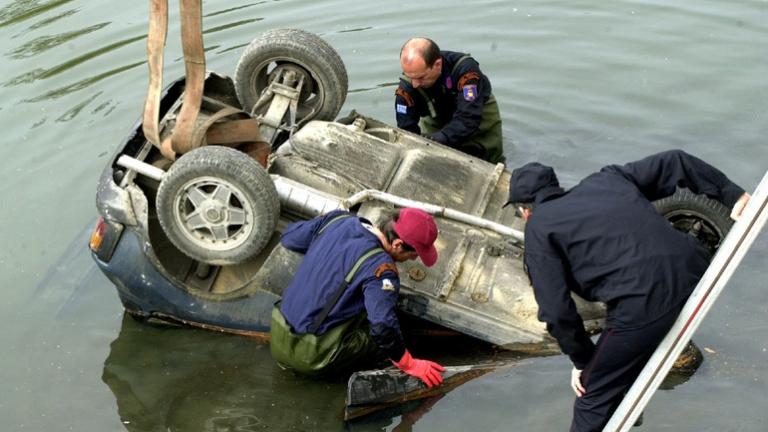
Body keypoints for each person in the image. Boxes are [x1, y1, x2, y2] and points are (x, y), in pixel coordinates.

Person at [505, 150, 751, 431]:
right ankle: (628, 411)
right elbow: (674, 161)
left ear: (525, 210)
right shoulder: (607, 179)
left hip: (645, 304)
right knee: (618, 359)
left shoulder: (539, 227)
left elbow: (556, 311)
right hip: (695, 267)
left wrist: (584, 362)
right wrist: (732, 194)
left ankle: (617, 406)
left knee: (591, 396)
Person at [269, 207, 445, 388]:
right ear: (397, 244)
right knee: (392, 329)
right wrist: (410, 363)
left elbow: (290, 237)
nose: (413, 260)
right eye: (413, 254)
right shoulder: (382, 269)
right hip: (312, 356)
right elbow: (382, 325)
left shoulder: (337, 219)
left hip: (277, 334)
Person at [395, 37, 504, 164]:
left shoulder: (466, 71)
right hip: (437, 117)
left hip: (478, 115)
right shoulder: (406, 89)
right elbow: (406, 129)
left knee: (491, 160)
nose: (415, 84)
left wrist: (439, 139)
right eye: (409, 76)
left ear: (437, 64)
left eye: (420, 77)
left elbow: (469, 117)